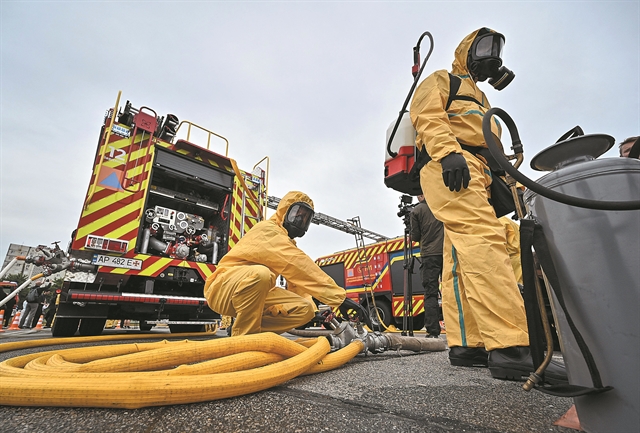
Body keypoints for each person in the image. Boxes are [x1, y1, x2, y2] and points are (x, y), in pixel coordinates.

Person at [409, 27, 566, 382]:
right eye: (484, 48)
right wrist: (448, 153)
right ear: (466, 52)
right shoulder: (443, 80)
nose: (492, 55)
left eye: (497, 50)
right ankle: (512, 348)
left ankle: (468, 345)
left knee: (459, 259)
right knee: (485, 243)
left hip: (477, 171)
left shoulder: (480, 96)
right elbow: (426, 114)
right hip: (453, 166)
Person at [204, 191, 359, 336]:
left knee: (304, 310)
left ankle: (243, 328)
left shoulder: (287, 243)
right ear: (284, 211)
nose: (301, 221)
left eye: (305, 218)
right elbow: (297, 264)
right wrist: (339, 298)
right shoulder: (268, 230)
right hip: (222, 288)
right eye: (297, 215)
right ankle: (244, 340)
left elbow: (296, 280)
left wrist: (313, 311)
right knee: (261, 274)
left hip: (254, 293)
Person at [410, 193, 444, 338]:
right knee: (455, 291)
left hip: (429, 255)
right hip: (448, 252)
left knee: (431, 293)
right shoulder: (442, 204)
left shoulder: (417, 211)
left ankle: (433, 331)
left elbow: (415, 237)